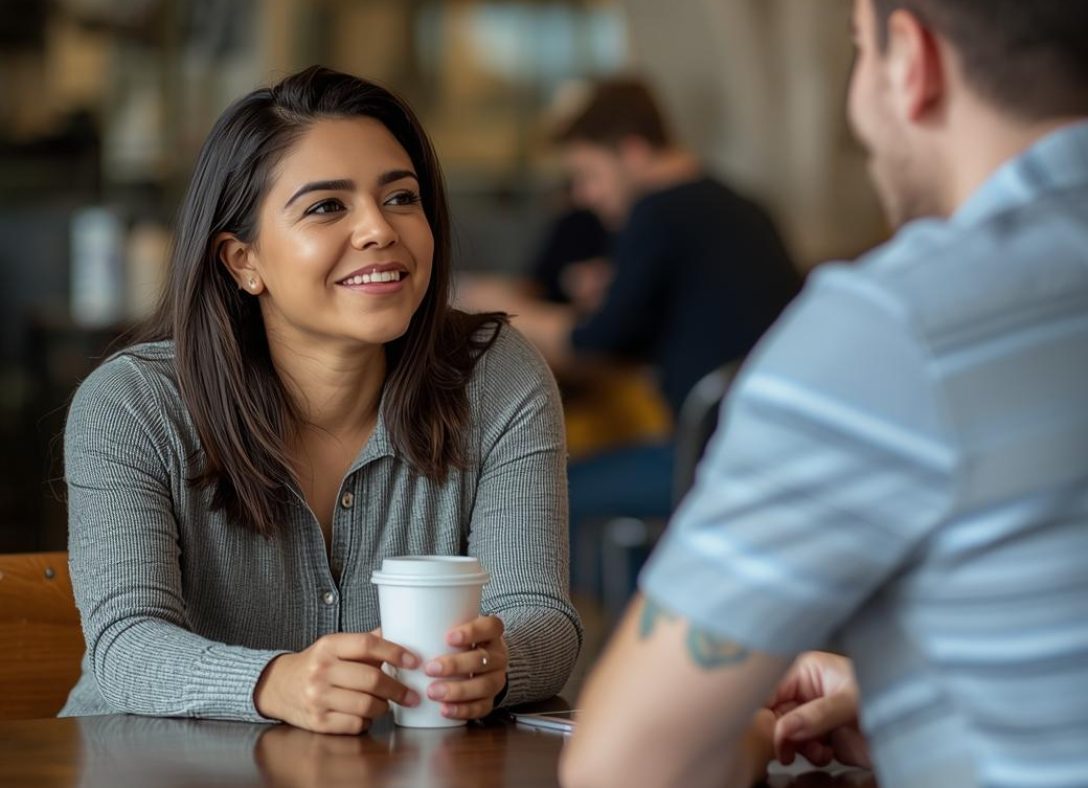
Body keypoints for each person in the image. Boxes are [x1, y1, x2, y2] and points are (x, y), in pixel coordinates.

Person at [562, 0, 1088, 786]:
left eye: (856, 54)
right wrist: (913, 701)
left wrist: (741, 741)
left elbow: (626, 767)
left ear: (910, 60)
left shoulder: (896, 323)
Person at [60, 66, 582, 733]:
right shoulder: (131, 406)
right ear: (242, 261)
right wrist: (276, 683)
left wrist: (498, 663)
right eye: (327, 206)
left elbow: (539, 612)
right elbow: (124, 645)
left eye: (401, 197)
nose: (379, 230)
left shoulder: (497, 377)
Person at [512, 77, 800, 597]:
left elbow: (596, 342)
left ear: (633, 151)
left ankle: (625, 646)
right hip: (773, 452)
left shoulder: (656, 211)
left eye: (588, 175)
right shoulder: (742, 205)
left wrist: (504, 317)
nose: (584, 195)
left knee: (541, 492)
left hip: (705, 457)